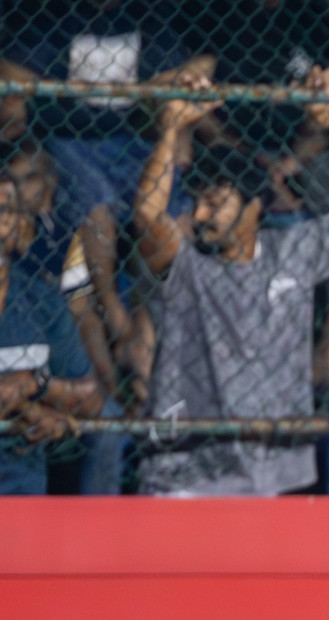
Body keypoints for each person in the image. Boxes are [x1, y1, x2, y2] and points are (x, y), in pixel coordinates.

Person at [130, 67, 329, 495]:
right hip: (186, 473)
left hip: (273, 473)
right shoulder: (186, 264)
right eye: (198, 202)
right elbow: (148, 216)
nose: (200, 216)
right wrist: (170, 130)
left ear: (254, 206)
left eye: (215, 203)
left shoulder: (293, 251)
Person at [181, 0, 329, 413]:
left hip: (300, 155)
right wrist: (252, 161)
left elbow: (323, 111)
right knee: (228, 207)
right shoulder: (213, 16)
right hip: (231, 154)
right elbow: (196, 111)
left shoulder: (311, 20)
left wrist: (292, 162)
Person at [1, 0, 214, 357]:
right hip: (68, 135)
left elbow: (169, 76)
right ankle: (113, 309)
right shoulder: (52, 12)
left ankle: (167, 302)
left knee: (171, 197)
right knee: (95, 201)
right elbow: (14, 72)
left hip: (128, 138)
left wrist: (167, 86)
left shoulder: (144, 12)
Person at [0, 176, 105, 494]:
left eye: (3, 210)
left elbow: (90, 399)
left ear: (20, 225)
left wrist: (37, 385)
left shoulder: (39, 299)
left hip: (20, 488)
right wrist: (27, 409)